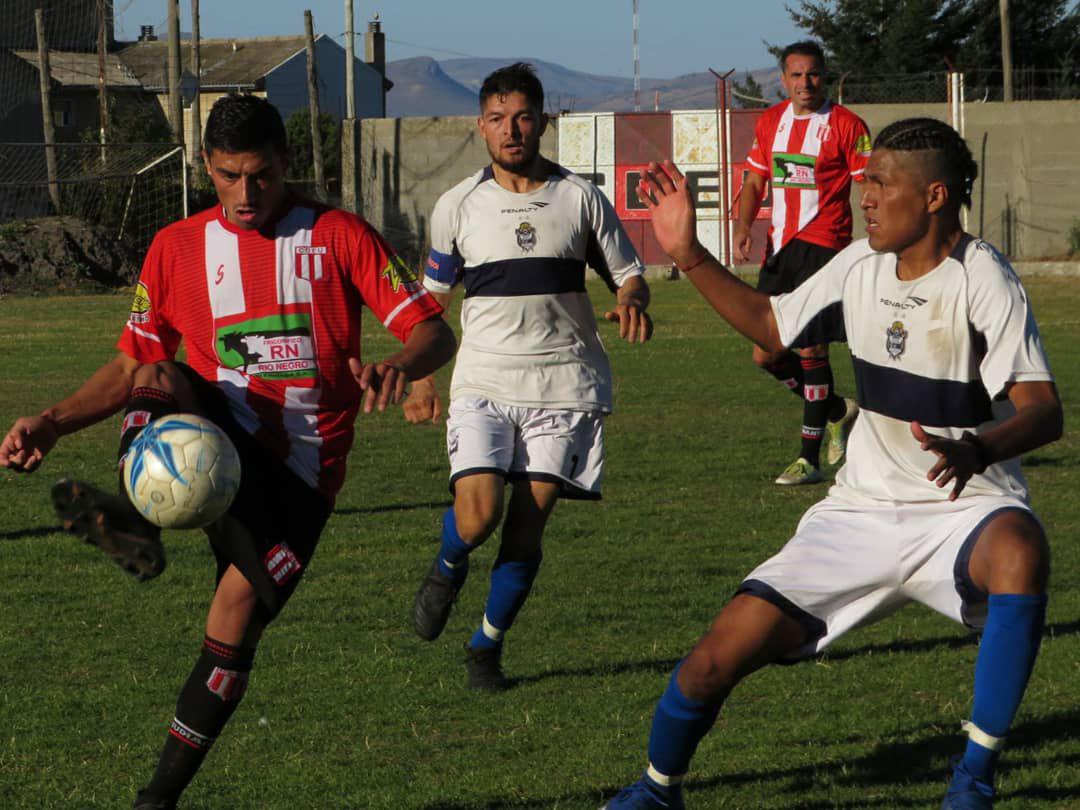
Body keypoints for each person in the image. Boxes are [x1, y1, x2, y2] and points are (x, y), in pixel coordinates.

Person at [0, 94, 455, 809]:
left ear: (285, 165)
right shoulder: (176, 248)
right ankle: (140, 508)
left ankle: (158, 797)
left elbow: (434, 331)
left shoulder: (338, 236)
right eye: (228, 176)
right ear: (207, 167)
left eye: (262, 176)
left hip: (302, 475)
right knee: (157, 374)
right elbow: (130, 368)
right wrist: (52, 422)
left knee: (236, 619)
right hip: (213, 432)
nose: (246, 194)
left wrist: (403, 363)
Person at [604, 117, 1060, 810]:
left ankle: (972, 783)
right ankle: (656, 792)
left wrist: (977, 449)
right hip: (859, 513)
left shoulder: (981, 275)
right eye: (864, 181)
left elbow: (1043, 409)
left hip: (963, 509)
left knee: (1021, 549)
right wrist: (688, 253)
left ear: (934, 196)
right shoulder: (859, 263)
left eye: (881, 182)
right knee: (708, 664)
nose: (864, 194)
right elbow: (770, 327)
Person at [405, 63, 653, 691]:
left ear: (543, 121)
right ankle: (448, 561)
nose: (511, 130)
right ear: (480, 126)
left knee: (527, 523)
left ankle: (485, 647)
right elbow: (429, 302)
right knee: (477, 515)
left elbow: (629, 273)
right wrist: (419, 375)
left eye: (522, 118)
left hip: (567, 385)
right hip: (484, 381)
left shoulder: (580, 198)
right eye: (497, 119)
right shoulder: (457, 205)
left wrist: (632, 300)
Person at [734, 40, 870, 485]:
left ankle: (808, 459)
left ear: (824, 76)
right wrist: (742, 225)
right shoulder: (771, 121)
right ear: (783, 80)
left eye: (812, 74)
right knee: (766, 354)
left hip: (824, 247)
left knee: (811, 349)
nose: (804, 83)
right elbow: (756, 181)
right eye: (796, 75)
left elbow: (868, 185)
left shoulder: (847, 125)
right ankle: (835, 409)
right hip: (780, 247)